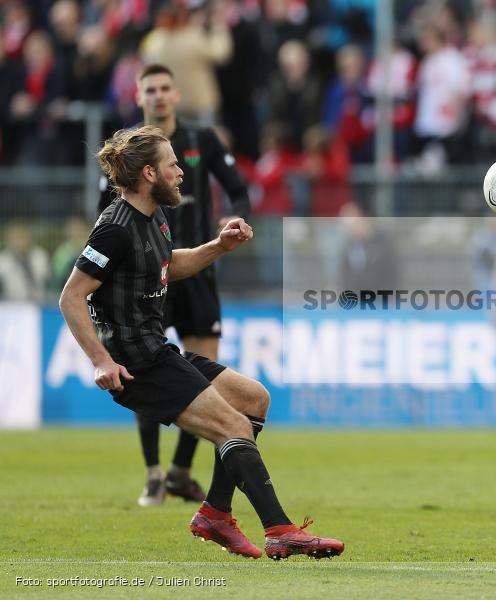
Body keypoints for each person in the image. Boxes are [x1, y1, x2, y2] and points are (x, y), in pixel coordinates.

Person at [60, 125, 344, 560]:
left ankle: (214, 513)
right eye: (174, 164)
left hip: (157, 349)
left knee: (253, 399)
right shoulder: (114, 229)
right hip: (136, 362)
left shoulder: (154, 216)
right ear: (150, 173)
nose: (182, 172)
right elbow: (71, 296)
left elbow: (167, 266)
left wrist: (218, 246)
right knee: (233, 427)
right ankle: (280, 530)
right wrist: (101, 361)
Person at [100, 63, 251, 507]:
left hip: (196, 267)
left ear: (177, 95)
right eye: (152, 89)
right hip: (146, 274)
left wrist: (232, 217)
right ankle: (152, 473)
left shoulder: (201, 140)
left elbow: (239, 189)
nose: (160, 96)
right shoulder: (130, 152)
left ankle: (180, 472)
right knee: (146, 364)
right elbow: (104, 207)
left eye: (167, 88)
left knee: (206, 369)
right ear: (139, 95)